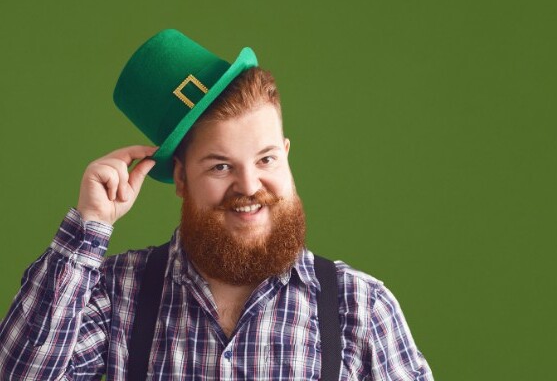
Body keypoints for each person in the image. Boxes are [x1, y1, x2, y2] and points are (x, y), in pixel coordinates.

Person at [0, 29, 433, 380]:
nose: (250, 185)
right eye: (221, 166)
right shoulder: (117, 295)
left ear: (286, 153)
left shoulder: (359, 306)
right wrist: (88, 227)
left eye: (266, 159)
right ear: (182, 179)